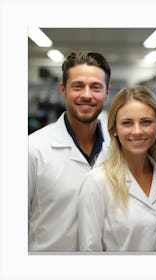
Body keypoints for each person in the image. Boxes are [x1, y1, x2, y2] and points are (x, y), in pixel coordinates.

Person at [28, 51, 111, 252]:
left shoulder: (118, 148)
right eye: (78, 86)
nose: (87, 95)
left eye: (96, 87)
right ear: (63, 90)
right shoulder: (33, 148)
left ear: (107, 93)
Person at [78, 85, 156, 252]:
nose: (137, 131)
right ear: (114, 129)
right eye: (127, 123)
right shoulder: (97, 182)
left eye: (146, 122)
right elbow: (89, 251)